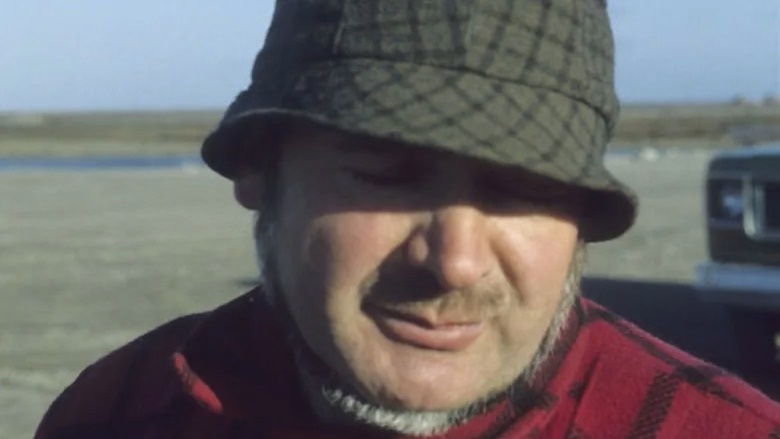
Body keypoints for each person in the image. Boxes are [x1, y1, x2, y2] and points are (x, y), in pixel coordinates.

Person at [35, 1, 780, 438]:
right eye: (386, 171)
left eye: (523, 185)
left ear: (581, 215)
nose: (453, 260)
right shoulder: (124, 412)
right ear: (261, 170)